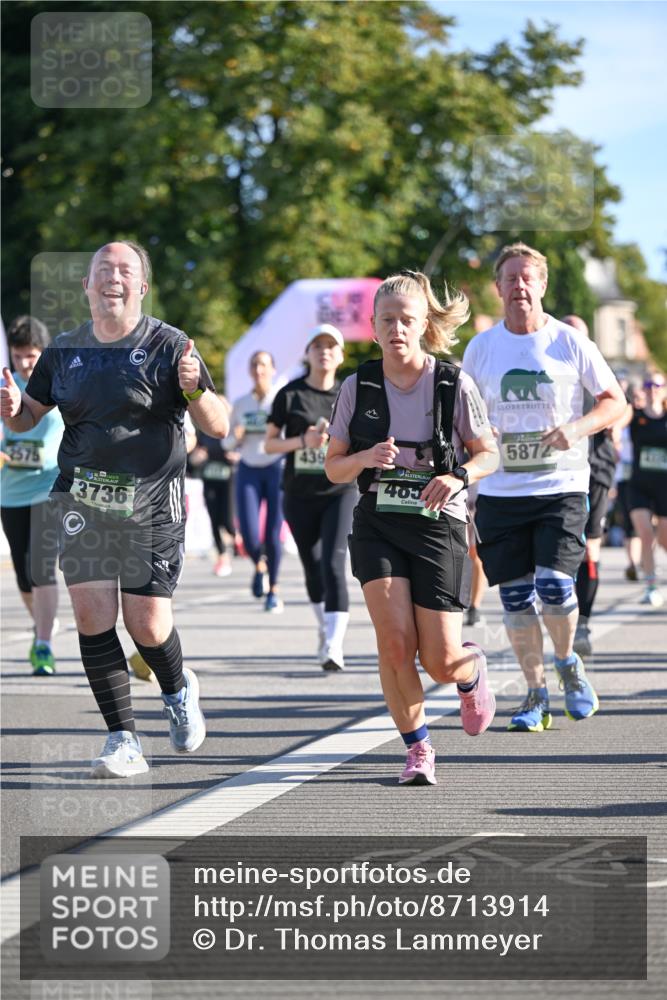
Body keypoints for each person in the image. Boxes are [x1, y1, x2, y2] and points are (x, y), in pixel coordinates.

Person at [0, 241, 229, 776]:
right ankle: (123, 739)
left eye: (125, 270)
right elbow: (27, 417)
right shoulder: (64, 350)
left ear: (142, 287)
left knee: (146, 623)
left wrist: (196, 392)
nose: (113, 277)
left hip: (152, 500)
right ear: (86, 285)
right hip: (82, 498)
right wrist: (11, 410)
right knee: (92, 615)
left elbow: (219, 425)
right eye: (102, 269)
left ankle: (177, 689)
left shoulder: (171, 345)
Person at [325, 272, 499, 785]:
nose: (396, 329)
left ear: (424, 325)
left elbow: (489, 453)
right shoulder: (357, 386)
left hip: (437, 522)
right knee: (395, 645)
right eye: (387, 320)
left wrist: (457, 475)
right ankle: (418, 747)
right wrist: (364, 458)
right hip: (378, 521)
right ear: (373, 327)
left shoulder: (452, 384)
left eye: (406, 320)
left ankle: (470, 672)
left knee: (440, 661)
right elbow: (333, 467)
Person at [462, 243, 626, 733]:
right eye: (510, 278)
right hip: (501, 491)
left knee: (554, 586)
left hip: (561, 486)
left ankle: (567, 661)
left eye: (527, 277)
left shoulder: (569, 342)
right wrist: (476, 441)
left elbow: (614, 401)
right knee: (515, 599)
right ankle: (535, 694)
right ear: (498, 288)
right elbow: (462, 416)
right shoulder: (481, 348)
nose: (519, 286)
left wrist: (576, 429)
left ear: (542, 285)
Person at [265, 324, 356, 669]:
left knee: (334, 563)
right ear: (308, 353)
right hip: (299, 493)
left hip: (340, 491)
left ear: (341, 355)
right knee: (312, 566)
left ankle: (334, 644)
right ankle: (325, 628)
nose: (324, 352)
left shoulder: (350, 394)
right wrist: (304, 441)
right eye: (317, 346)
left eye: (331, 346)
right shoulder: (290, 395)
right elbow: (269, 444)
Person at [1, 316, 63, 675]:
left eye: (32, 355)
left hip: (48, 488)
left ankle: (43, 644)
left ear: (44, 352)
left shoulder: (58, 384)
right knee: (24, 576)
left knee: (41, 568)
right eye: (18, 355)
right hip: (10, 492)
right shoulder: (3, 386)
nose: (25, 363)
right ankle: (44, 621)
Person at [561, 315, 625, 657]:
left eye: (578, 334)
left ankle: (582, 622)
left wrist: (617, 424)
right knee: (558, 549)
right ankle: (562, 615)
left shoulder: (596, 365)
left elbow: (623, 404)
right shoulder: (549, 366)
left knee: (590, 547)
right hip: (559, 469)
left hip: (595, 467)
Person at [229, 351, 284, 611]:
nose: (259, 370)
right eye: (254, 365)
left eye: (263, 364)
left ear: (273, 369)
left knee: (273, 534)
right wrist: (237, 437)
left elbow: (291, 436)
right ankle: (259, 566)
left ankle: (273, 589)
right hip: (248, 469)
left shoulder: (281, 400)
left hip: (276, 468)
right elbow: (226, 442)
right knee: (250, 536)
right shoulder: (241, 404)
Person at [627, 372, 667, 607]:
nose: (653, 389)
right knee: (645, 534)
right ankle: (651, 586)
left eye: (658, 385)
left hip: (664, 485)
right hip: (640, 484)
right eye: (649, 385)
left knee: (664, 539)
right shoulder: (635, 415)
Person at [190, 401, 239, 579]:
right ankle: (222, 556)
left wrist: (236, 457)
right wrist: (197, 457)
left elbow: (243, 452)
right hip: (210, 480)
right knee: (214, 520)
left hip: (228, 481)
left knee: (227, 520)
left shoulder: (232, 432)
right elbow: (193, 458)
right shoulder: (204, 432)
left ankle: (239, 541)